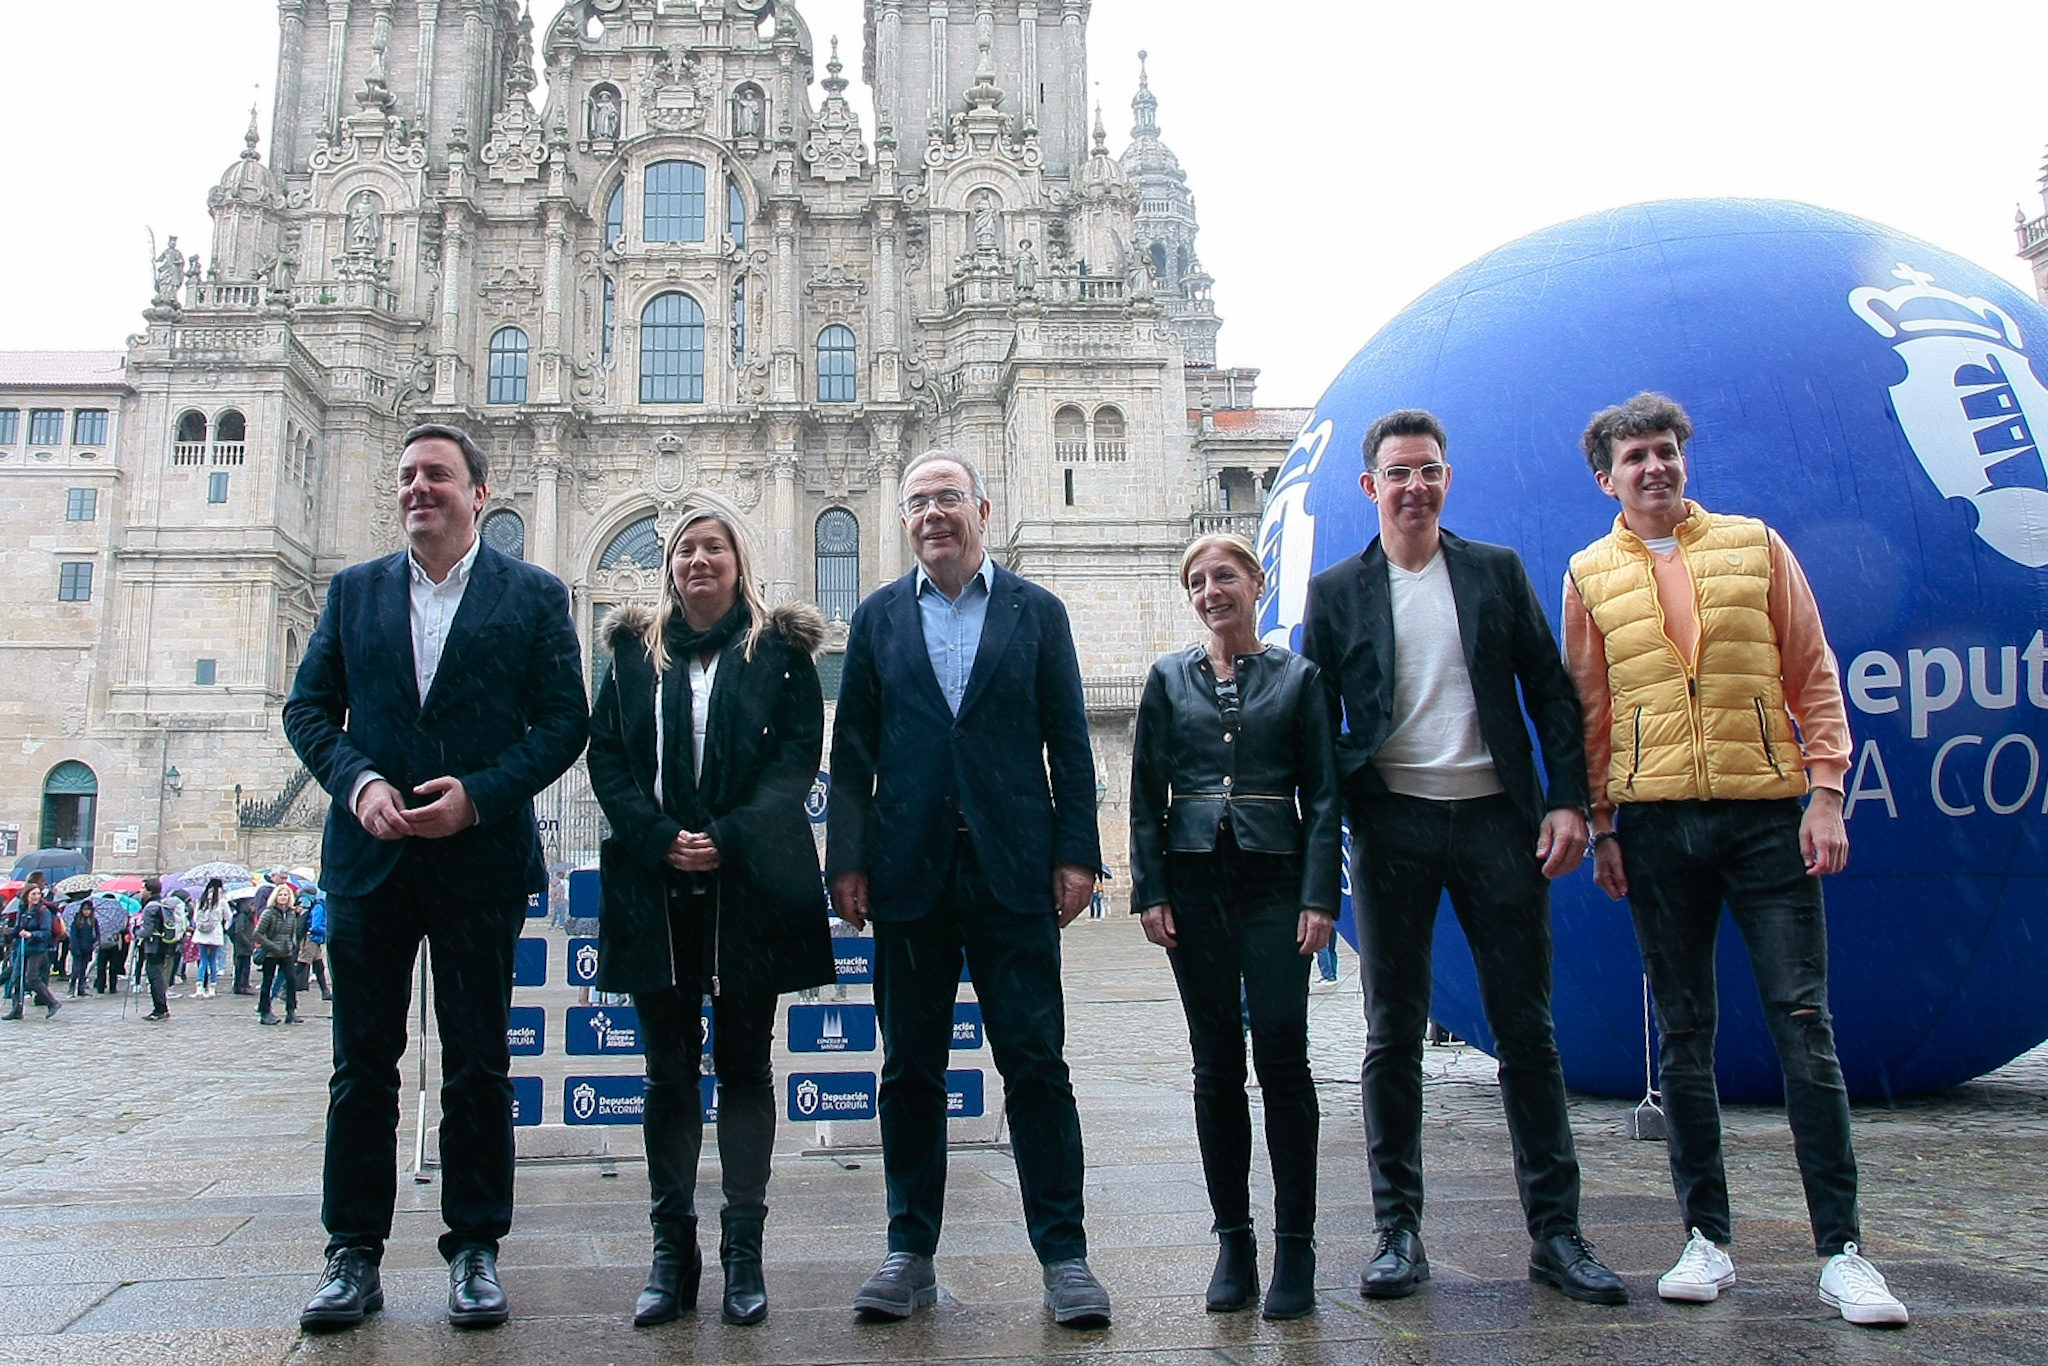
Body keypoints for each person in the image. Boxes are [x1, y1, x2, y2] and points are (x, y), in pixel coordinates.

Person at [1563, 392, 1907, 1326]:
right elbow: (1591, 709)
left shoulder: (1755, 546)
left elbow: (1812, 668)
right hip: (1655, 824)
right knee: (1683, 1034)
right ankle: (1704, 1237)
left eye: (1665, 451)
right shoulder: (1590, 573)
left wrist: (1826, 791)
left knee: (1804, 1024)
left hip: (1764, 815)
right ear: (1606, 479)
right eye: (1635, 457)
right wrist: (1603, 826)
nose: (1654, 468)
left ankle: (1842, 1252)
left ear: (1683, 460)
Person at [1300, 409, 1624, 1306]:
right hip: (1393, 825)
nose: (1415, 487)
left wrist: (1568, 801)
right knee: (1391, 1035)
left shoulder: (1493, 571)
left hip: (1496, 825)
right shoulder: (1336, 593)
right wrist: (1334, 838)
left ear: (1447, 479)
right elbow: (1317, 734)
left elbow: (1551, 692)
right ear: (1370, 486)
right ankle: (1397, 1233)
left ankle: (1556, 1234)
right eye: (1399, 473)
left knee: (1527, 1034)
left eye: (1429, 471)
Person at [283, 423, 587, 1332]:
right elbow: (307, 709)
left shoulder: (534, 594)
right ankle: (352, 1253)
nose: (418, 488)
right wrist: (359, 782)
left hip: (477, 861)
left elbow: (563, 722)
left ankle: (476, 1248)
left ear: (477, 494)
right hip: (370, 862)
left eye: (438, 475)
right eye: (408, 475)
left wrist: (479, 798)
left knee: (479, 1065)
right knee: (360, 1067)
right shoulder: (353, 591)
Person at [826, 450, 1109, 1328]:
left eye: (947, 497)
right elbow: (854, 754)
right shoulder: (876, 619)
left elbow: (1069, 740)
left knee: (1036, 1064)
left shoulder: (1037, 611)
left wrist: (1078, 853)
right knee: (910, 1068)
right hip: (909, 872)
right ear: (903, 519)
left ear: (982, 509)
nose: (932, 514)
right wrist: (847, 861)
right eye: (917, 502)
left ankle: (1065, 1258)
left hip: (1012, 869)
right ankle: (908, 1250)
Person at [586, 505, 835, 1329]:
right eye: (685, 549)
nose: (698, 559)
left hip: (747, 883)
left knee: (746, 1068)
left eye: (713, 547)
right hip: (653, 884)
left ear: (739, 560)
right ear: (670, 565)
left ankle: (743, 1251)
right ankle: (671, 1252)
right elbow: (607, 756)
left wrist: (728, 837)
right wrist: (658, 836)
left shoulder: (781, 654)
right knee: (665, 1072)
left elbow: (795, 759)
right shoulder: (633, 652)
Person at [1130, 533, 1341, 1320]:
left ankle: (1297, 1246)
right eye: (1197, 582)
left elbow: (1323, 796)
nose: (1211, 591)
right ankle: (1234, 1241)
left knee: (1284, 1057)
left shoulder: (1300, 678)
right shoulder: (1167, 679)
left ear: (1257, 582)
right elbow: (1146, 790)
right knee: (1214, 1064)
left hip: (1276, 883)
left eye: (1225, 576)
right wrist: (1151, 891)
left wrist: (1320, 898)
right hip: (1193, 886)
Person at [5, 882, 62, 1020]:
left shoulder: (43, 911)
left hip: (37, 949)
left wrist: (31, 934)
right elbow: (18, 928)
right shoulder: (23, 909)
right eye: (33, 894)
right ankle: (17, 1010)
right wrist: (10, 932)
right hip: (22, 947)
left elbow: (46, 932)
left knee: (31, 978)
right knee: (16, 978)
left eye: (38, 894)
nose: (36, 896)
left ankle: (52, 1002)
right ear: (27, 896)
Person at [255, 882, 304, 1026]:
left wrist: (292, 944)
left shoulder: (291, 914)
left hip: (286, 952)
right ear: (275, 897)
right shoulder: (268, 913)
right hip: (271, 953)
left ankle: (291, 1011)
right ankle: (265, 1012)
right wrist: (272, 946)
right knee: (268, 982)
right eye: (281, 895)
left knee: (291, 980)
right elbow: (257, 934)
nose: (283, 897)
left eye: (286, 895)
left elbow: (292, 931)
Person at [135, 878, 179, 1022]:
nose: (141, 891)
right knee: (158, 976)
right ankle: (162, 1008)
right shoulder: (161, 904)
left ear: (150, 891)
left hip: (153, 946)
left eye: (143, 888)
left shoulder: (150, 908)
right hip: (163, 944)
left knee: (155, 978)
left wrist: (136, 932)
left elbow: (147, 931)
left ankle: (160, 1009)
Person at [192, 880, 227, 998]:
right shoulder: (221, 901)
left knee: (203, 960)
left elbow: (195, 918)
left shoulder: (201, 900)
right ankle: (212, 988)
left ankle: (199, 987)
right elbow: (228, 917)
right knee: (212, 960)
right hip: (215, 933)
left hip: (201, 933)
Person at [299, 892, 331, 1003]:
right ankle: (284, 988)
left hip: (315, 939)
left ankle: (325, 991)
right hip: (311, 939)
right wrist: (328, 930)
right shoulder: (319, 907)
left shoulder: (320, 906)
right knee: (302, 964)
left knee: (319, 966)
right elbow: (315, 926)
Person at [67, 896, 100, 997]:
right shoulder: (77, 920)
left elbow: (97, 933)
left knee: (83, 969)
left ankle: (81, 988)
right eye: (85, 910)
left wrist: (96, 940)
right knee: (76, 969)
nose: (86, 912)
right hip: (78, 948)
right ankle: (71, 989)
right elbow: (73, 935)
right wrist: (75, 948)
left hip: (88, 947)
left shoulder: (93, 921)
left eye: (88, 910)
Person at [96, 896, 129, 995]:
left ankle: (101, 987)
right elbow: (123, 928)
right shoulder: (119, 914)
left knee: (102, 967)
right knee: (112, 967)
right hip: (113, 944)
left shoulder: (98, 915)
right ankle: (112, 987)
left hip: (103, 944)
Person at [229, 891, 259, 995]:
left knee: (245, 966)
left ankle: (243, 985)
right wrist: (248, 943)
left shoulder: (249, 917)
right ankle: (242, 985)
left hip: (246, 946)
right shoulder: (242, 916)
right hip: (242, 947)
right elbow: (239, 932)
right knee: (241, 966)